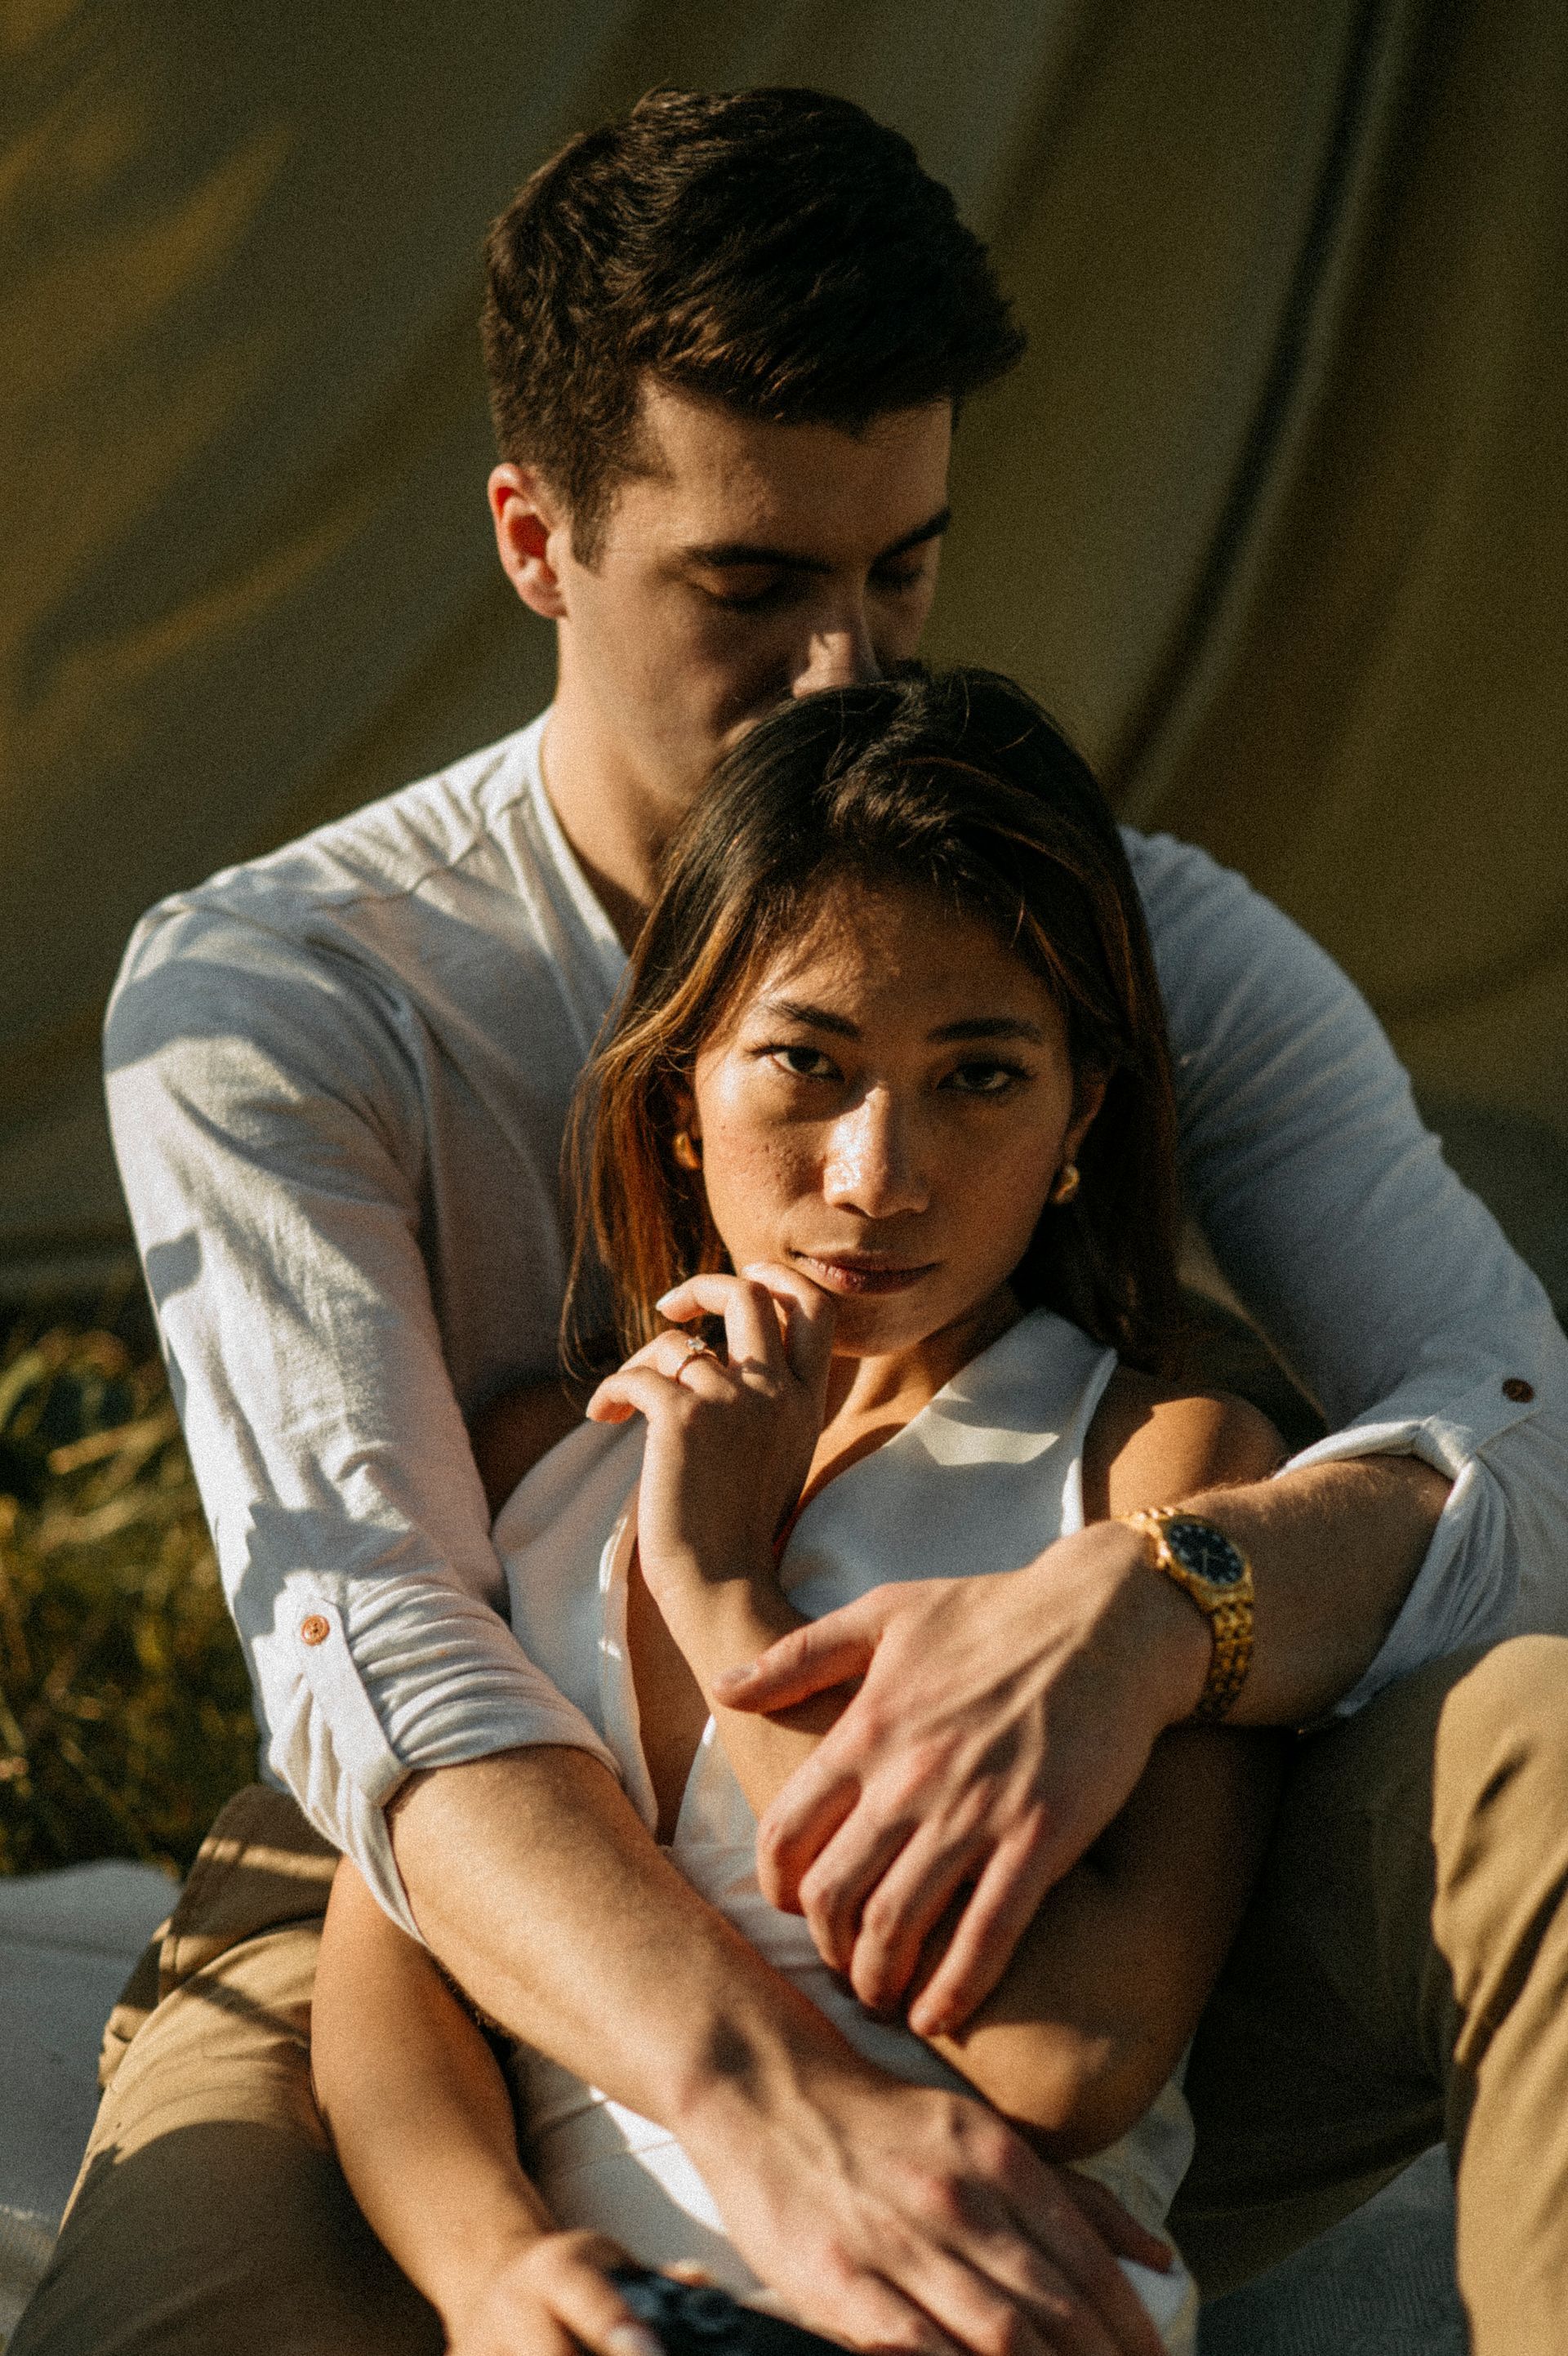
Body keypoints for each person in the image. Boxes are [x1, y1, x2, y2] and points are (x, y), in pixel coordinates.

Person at [16, 81, 1568, 2356]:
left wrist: (1164, 1610)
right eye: (751, 582)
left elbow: (1527, 1432)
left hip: (1073, 1905)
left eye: (905, 566)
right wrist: (763, 2095)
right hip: (482, 1898)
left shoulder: (1125, 941)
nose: (848, 665)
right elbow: (375, 1661)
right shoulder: (289, 990)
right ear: (536, 536)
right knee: (191, 2309)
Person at [312, 667, 1287, 2356]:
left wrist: (720, 1592)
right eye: (806, 1064)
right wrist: (486, 2267)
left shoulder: (1151, 1462)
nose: (878, 1175)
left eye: (979, 1077)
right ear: (680, 1087)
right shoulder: (542, 1455)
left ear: (1081, 1118)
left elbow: (1072, 2052)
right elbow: (392, 1940)